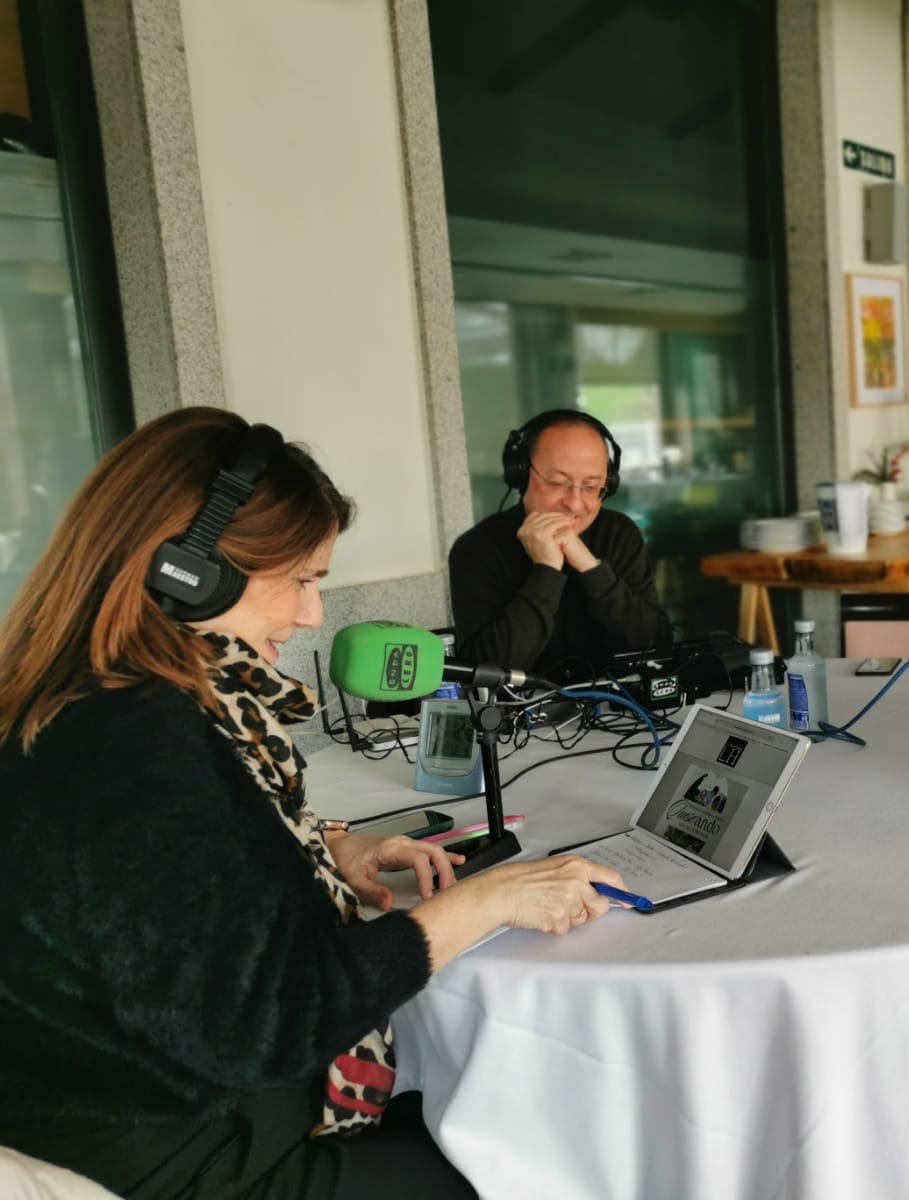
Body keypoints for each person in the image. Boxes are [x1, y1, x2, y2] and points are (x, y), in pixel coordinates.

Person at [0, 407, 628, 1199]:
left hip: (117, 1116)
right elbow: (264, 1022)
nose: (312, 616)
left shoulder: (90, 698)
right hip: (186, 1155)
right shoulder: (131, 738)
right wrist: (487, 902)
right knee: (549, 1152)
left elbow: (156, 883)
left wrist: (325, 849)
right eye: (301, 580)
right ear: (186, 573)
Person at [449, 410, 672, 676]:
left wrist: (591, 568)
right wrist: (546, 571)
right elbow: (488, 673)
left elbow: (656, 649)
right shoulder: (475, 550)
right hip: (523, 713)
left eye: (591, 487)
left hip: (619, 708)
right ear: (519, 473)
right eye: (557, 483)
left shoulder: (619, 533)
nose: (575, 504)